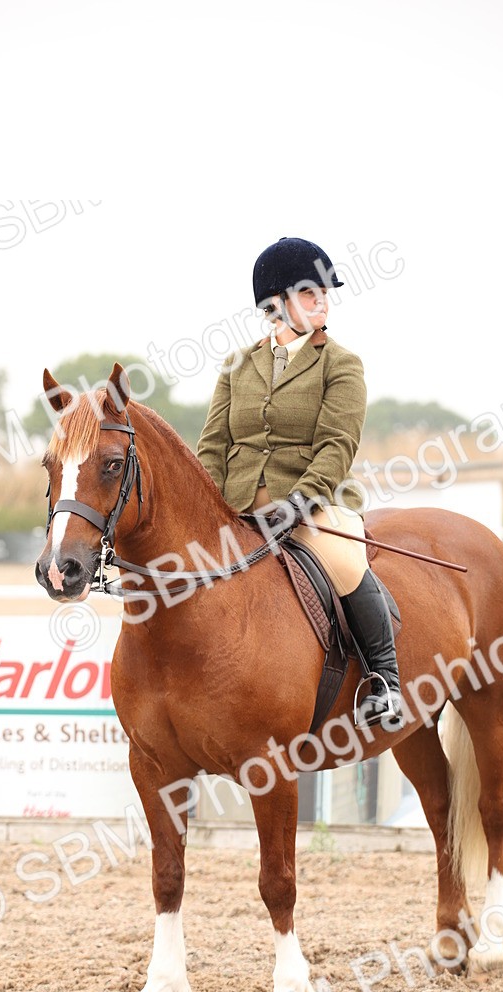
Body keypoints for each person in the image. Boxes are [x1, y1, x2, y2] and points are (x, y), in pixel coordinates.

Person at [197, 236, 402, 727]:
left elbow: (337, 445)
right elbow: (212, 446)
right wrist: (207, 508)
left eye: (326, 293)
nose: (323, 302)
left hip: (309, 507)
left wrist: (298, 503)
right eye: (311, 293)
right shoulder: (237, 366)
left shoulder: (341, 364)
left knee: (344, 560)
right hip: (238, 509)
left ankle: (385, 680)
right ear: (277, 303)